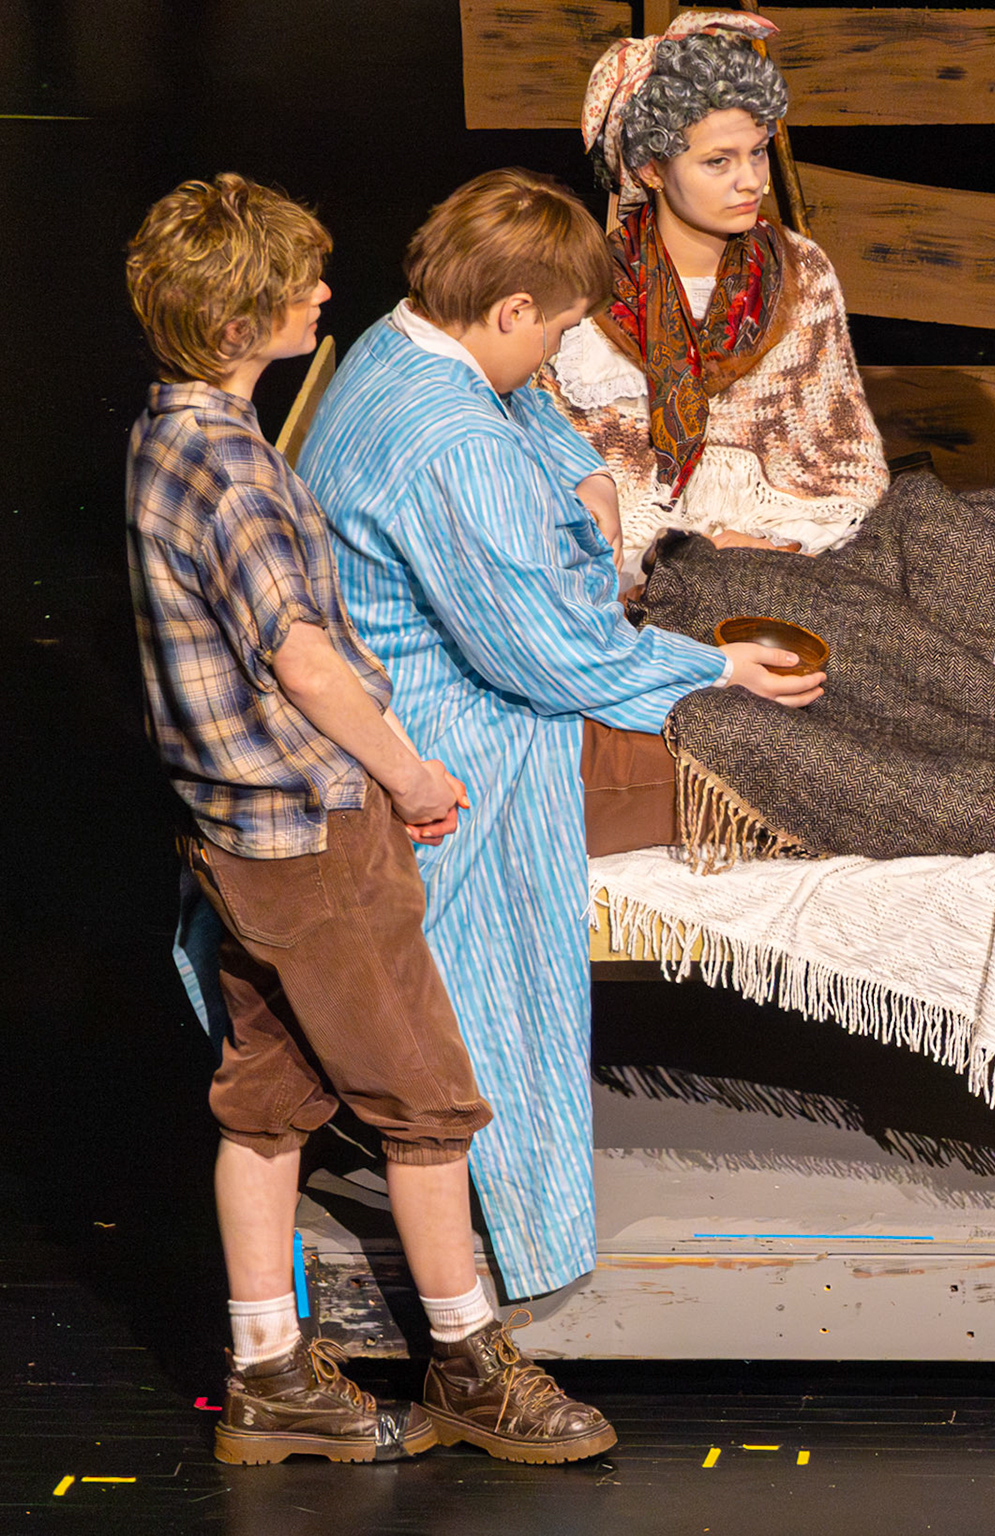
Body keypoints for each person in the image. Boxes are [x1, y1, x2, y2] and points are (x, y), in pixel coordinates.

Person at [125, 174, 613, 1466]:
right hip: (315, 825)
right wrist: (407, 772)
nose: (327, 295)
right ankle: (467, 1367)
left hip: (238, 831)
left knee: (266, 1103)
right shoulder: (233, 466)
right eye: (302, 285)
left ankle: (269, 1372)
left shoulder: (166, 433)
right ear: (244, 319)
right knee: (430, 1104)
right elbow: (303, 657)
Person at [299, 169, 822, 1309]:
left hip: (515, 654)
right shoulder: (449, 446)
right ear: (509, 312)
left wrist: (586, 473)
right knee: (807, 752)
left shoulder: (400, 346)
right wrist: (713, 669)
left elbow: (527, 408)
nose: (562, 353)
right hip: (476, 740)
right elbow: (548, 661)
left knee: (807, 629)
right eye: (561, 329)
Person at [542, 12, 889, 587]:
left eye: (756, 152)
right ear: (651, 168)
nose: (751, 180)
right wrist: (671, 554)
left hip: (782, 558)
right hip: (629, 573)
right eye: (717, 161)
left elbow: (846, 464)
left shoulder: (799, 272)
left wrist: (776, 544)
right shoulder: (584, 290)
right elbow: (551, 472)